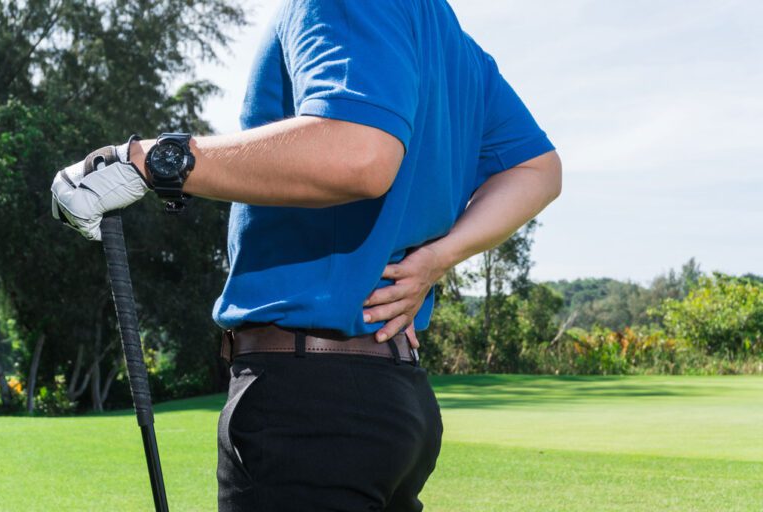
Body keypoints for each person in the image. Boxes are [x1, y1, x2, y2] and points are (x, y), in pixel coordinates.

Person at [51, 0, 562, 510]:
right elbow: (538, 169)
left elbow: (359, 155)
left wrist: (152, 162)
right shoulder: (446, 36)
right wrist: (440, 257)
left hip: (310, 406)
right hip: (393, 401)